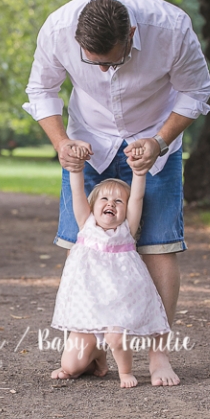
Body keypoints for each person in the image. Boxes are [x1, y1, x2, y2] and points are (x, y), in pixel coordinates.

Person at [24, 0, 210, 386]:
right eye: (93, 62)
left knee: (159, 246)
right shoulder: (57, 29)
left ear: (131, 35)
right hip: (88, 140)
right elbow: (41, 90)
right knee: (81, 243)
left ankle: (158, 355)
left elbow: (196, 91)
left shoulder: (172, 28)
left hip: (154, 138)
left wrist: (159, 141)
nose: (104, 70)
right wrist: (62, 144)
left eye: (112, 61)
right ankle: (91, 346)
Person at [51, 143, 170, 387]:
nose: (111, 204)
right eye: (104, 199)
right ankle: (98, 355)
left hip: (119, 302)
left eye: (118, 201)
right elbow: (77, 192)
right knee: (70, 367)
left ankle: (125, 371)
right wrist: (76, 169)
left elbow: (136, 196)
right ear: (93, 206)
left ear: (126, 210)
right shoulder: (86, 225)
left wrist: (139, 173)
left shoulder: (127, 230)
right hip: (89, 305)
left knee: (116, 337)